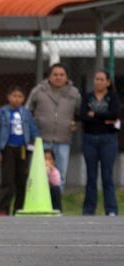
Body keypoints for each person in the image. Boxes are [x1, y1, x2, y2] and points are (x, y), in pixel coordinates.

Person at [26, 63, 81, 191]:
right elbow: (27, 111)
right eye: (55, 74)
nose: (58, 77)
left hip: (63, 140)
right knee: (39, 172)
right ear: (49, 76)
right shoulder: (38, 91)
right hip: (41, 139)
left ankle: (56, 203)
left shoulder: (74, 93)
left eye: (62, 75)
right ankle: (38, 201)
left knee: (59, 173)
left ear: (67, 77)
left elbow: (80, 113)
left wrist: (75, 124)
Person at [0, 85, 40, 216]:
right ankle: (3, 208)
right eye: (14, 96)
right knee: (7, 180)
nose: (17, 99)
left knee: (22, 180)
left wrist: (38, 143)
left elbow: (33, 129)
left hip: (23, 149)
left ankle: (18, 208)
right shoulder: (2, 112)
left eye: (20, 96)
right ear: (8, 97)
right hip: (8, 149)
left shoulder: (26, 113)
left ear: (24, 99)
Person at [80, 69, 120, 216]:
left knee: (107, 176)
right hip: (90, 138)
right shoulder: (88, 97)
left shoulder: (112, 97)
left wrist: (95, 114)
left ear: (108, 82)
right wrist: (104, 118)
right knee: (91, 176)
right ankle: (89, 209)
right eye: (96, 79)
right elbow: (83, 116)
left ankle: (111, 209)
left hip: (108, 139)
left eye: (102, 79)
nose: (98, 82)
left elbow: (115, 115)